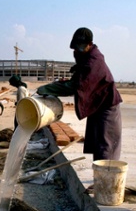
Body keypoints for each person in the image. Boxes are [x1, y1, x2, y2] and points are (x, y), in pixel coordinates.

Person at [37, 27, 122, 161]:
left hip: (107, 105)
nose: (77, 51)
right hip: (97, 105)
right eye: (75, 48)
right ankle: (99, 176)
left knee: (106, 146)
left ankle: (107, 179)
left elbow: (75, 86)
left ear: (90, 44)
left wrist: (48, 89)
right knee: (97, 144)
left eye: (80, 48)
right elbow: (78, 80)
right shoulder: (85, 58)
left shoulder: (93, 61)